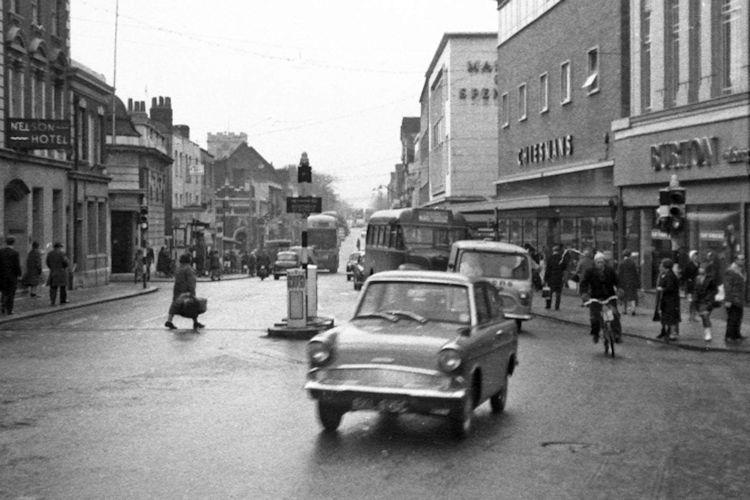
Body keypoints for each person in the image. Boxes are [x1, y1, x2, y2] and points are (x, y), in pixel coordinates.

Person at [580, 252, 622, 344]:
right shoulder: (590, 272)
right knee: (594, 317)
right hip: (595, 298)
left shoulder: (610, 271)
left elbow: (617, 281)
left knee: (614, 315)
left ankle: (617, 334)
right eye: (598, 262)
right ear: (595, 262)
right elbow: (584, 283)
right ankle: (595, 334)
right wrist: (584, 294)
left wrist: (619, 290)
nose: (600, 264)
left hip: (609, 297)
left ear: (604, 262)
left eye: (602, 262)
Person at [165, 253, 204, 331]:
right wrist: (192, 292)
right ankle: (195, 322)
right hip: (186, 291)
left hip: (177, 290)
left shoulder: (178, 268)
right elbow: (191, 281)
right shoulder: (189, 269)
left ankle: (169, 320)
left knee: (174, 305)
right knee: (193, 305)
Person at [723, 254, 746, 342]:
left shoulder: (742, 271)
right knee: (732, 318)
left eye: (743, 259)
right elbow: (727, 286)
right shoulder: (730, 271)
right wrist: (728, 299)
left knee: (738, 318)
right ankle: (729, 336)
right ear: (736, 260)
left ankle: (737, 335)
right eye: (740, 259)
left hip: (739, 299)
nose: (742, 261)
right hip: (733, 299)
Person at [656, 258, 681, 340]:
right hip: (667, 299)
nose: (661, 266)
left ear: (665, 266)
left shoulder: (670, 275)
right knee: (667, 315)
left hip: (671, 300)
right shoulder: (666, 274)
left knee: (671, 316)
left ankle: (673, 334)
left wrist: (662, 289)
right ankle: (667, 332)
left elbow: (670, 287)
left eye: (662, 265)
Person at [693, 264, 718, 342]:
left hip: (707, 301)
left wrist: (709, 297)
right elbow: (695, 289)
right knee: (704, 316)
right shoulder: (697, 278)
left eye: (702, 268)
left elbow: (715, 290)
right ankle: (707, 331)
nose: (700, 269)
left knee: (705, 315)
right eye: (700, 268)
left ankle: (708, 333)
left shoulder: (710, 279)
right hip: (699, 301)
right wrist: (694, 297)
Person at [0, 236, 23, 315]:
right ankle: (9, 309)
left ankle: (3, 305)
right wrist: (19, 275)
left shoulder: (1, 251)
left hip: (2, 276)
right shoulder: (15, 253)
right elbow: (16, 265)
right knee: (11, 293)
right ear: (13, 242)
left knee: (4, 291)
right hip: (12, 276)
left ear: (6, 242)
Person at [617, 249, 640, 315]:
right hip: (632, 282)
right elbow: (635, 273)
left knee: (624, 297)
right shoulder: (632, 263)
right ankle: (633, 310)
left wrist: (618, 283)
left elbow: (619, 273)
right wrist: (637, 282)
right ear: (629, 255)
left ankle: (624, 310)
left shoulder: (621, 263)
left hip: (623, 282)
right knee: (632, 296)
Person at [543, 244, 565, 310]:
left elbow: (548, 269)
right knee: (558, 293)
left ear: (553, 251)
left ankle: (548, 305)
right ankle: (557, 306)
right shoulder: (561, 258)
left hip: (551, 278)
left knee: (549, 292)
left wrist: (545, 278)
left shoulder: (550, 258)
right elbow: (563, 268)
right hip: (559, 278)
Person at [682, 250, 700, 321]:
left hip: (698, 285)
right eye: (694, 256)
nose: (696, 257)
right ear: (691, 257)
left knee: (696, 301)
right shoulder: (688, 265)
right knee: (692, 301)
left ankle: (694, 315)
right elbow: (685, 276)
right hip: (691, 286)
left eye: (696, 256)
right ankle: (691, 316)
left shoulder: (699, 264)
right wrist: (688, 281)